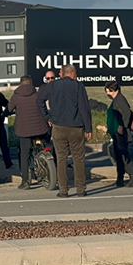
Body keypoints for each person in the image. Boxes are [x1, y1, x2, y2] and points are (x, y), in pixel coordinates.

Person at [37, 64, 92, 197]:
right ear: (71, 73)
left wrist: (47, 117)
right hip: (76, 128)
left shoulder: (53, 85)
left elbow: (39, 100)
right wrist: (88, 128)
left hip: (58, 127)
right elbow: (84, 108)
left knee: (61, 159)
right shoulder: (78, 86)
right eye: (76, 73)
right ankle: (80, 189)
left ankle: (63, 190)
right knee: (78, 159)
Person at [8, 75, 50, 190]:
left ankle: (26, 181)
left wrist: (4, 114)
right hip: (41, 129)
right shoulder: (37, 95)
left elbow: (8, 109)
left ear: (20, 84)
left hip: (25, 131)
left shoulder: (16, 97)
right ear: (31, 83)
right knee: (47, 147)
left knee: (25, 155)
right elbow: (44, 109)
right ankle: (51, 171)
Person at [105, 81, 133, 188]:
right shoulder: (116, 99)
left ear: (114, 90)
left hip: (121, 133)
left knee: (124, 155)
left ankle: (132, 177)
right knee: (119, 156)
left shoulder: (120, 99)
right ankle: (120, 178)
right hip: (117, 133)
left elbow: (127, 112)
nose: (107, 94)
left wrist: (122, 126)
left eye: (108, 91)